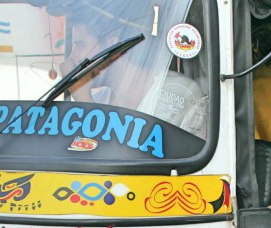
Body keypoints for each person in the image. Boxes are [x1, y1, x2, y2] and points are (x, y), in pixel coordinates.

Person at [60, 2, 208, 138]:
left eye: (80, 45)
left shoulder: (176, 93)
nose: (72, 57)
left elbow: (140, 159)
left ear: (112, 49)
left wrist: (84, 100)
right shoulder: (100, 100)